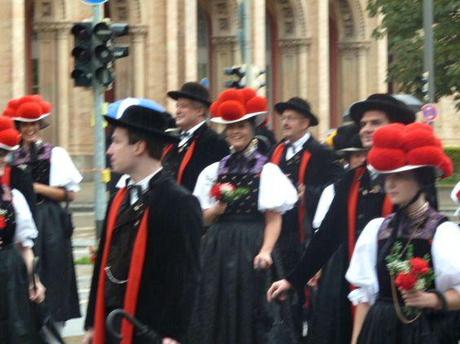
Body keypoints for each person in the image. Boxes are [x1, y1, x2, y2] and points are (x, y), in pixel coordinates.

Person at [267, 93, 416, 344]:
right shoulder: (352, 179)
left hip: (396, 294)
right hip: (353, 287)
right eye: (364, 124)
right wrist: (294, 279)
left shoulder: (414, 176)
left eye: (376, 123)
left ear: (395, 127)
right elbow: (327, 236)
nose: (367, 129)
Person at [83, 102, 202, 343]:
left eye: (116, 141)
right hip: (112, 323)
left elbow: (187, 277)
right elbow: (103, 267)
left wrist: (175, 334)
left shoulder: (179, 202)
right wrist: (91, 325)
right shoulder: (119, 197)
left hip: (151, 329)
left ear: (138, 146)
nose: (109, 150)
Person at [188, 91, 298, 343]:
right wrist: (216, 211)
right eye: (230, 127)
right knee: (216, 304)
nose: (235, 132)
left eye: (241, 126)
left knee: (254, 307)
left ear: (252, 128)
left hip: (253, 244)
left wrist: (267, 251)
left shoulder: (267, 170)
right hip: (218, 247)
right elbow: (202, 218)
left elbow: (274, 218)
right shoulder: (214, 171)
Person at [346, 122, 460, 343]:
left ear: (421, 179)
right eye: (386, 177)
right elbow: (364, 297)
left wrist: (433, 299)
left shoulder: (443, 233)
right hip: (379, 330)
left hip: (425, 332)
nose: (390, 185)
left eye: (400, 177)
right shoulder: (377, 230)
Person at [6, 95, 82, 338]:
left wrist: (34, 187)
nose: (29, 129)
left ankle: (53, 326)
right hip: (18, 218)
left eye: (34, 124)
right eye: (24, 124)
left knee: (53, 272)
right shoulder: (10, 156)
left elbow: (70, 194)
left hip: (48, 220)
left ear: (40, 126)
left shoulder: (54, 154)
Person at [269, 97, 343, 338]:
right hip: (278, 233)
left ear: (305, 123)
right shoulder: (277, 151)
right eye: (284, 118)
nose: (285, 123)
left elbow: (336, 189)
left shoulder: (321, 153)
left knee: (302, 292)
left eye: (291, 118)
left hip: (305, 235)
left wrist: (308, 194)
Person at [0, 120, 45, 343]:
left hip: (8, 273)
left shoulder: (13, 198)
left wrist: (33, 280)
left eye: (2, 155)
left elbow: (25, 246)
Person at [162, 82, 229, 191]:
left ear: (199, 110)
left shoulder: (214, 141)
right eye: (177, 106)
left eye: (183, 106)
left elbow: (220, 183)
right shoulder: (173, 140)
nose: (177, 111)